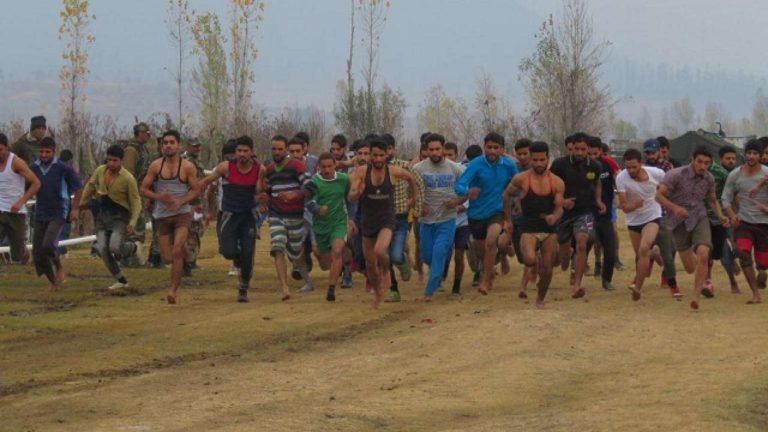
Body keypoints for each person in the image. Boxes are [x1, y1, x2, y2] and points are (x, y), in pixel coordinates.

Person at [348, 137, 419, 308]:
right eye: (375, 155)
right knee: (370, 265)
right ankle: (378, 293)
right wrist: (358, 192)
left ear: (387, 155)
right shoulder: (360, 173)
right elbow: (351, 197)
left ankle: (386, 271)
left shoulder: (394, 172)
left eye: (381, 155)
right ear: (370, 155)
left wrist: (413, 198)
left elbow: (411, 178)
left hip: (387, 219)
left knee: (380, 250)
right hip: (368, 221)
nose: (378, 159)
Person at [656, 145, 730, 310]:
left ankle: (697, 295)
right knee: (690, 268)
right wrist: (675, 208)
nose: (703, 166)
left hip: (699, 217)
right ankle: (701, 274)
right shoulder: (675, 175)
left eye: (707, 163)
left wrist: (720, 215)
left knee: (703, 253)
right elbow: (658, 196)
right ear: (693, 160)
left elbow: (712, 199)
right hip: (677, 221)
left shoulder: (709, 178)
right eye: (700, 162)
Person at [200, 135, 264, 302]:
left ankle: (243, 287)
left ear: (252, 152)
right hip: (229, 214)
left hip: (248, 216)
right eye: (239, 151)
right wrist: (192, 196)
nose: (241, 154)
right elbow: (207, 182)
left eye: (245, 151)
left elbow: (260, 193)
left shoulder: (259, 169)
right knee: (227, 251)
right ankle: (236, 258)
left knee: (248, 252)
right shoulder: (226, 167)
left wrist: (262, 198)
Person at [140, 130, 201, 304]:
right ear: (161, 146)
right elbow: (143, 189)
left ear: (178, 145)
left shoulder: (188, 166)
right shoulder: (155, 166)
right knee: (167, 258)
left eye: (172, 142)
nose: (168, 145)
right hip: (162, 216)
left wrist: (181, 201)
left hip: (182, 214)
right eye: (165, 142)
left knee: (176, 252)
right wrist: (159, 197)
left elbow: (196, 189)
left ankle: (173, 290)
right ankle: (184, 255)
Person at [454, 132, 519, 296]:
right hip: (476, 214)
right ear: (484, 148)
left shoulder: (509, 165)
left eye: (496, 147)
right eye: (489, 147)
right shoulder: (475, 164)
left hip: (497, 211)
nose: (492, 151)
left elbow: (519, 183)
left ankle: (486, 280)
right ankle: (498, 259)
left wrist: (517, 198)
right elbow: (459, 185)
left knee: (491, 241)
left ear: (502, 149)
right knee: (482, 251)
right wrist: (468, 191)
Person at [503, 141, 564, 308]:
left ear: (548, 159)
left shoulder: (557, 182)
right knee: (529, 259)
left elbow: (560, 208)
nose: (538, 164)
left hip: (549, 229)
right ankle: (535, 262)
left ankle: (540, 299)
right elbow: (506, 196)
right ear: (530, 159)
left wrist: (554, 216)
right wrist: (507, 219)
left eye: (542, 160)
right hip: (528, 227)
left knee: (548, 268)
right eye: (535, 160)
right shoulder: (521, 179)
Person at [550, 132, 605, 299]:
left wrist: (598, 200)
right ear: (571, 148)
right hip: (563, 213)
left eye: (583, 149)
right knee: (563, 258)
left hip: (585, 211)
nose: (580, 153)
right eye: (576, 149)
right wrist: (562, 200)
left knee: (582, 242)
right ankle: (562, 262)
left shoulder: (595, 166)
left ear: (588, 148)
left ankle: (577, 285)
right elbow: (550, 185)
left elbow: (596, 183)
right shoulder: (559, 164)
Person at [79, 145, 141, 290]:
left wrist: (132, 221)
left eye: (115, 160)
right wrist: (82, 204)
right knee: (103, 249)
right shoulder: (100, 170)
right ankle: (121, 280)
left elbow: (136, 201)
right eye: (109, 160)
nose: (111, 163)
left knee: (115, 246)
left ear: (121, 161)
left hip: (119, 216)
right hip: (102, 214)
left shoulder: (128, 178)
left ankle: (132, 247)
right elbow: (90, 186)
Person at [413, 133, 464, 302]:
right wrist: (419, 206)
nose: (434, 152)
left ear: (443, 149)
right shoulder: (419, 169)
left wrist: (456, 201)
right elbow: (411, 193)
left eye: (438, 149)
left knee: (439, 251)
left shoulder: (455, 168)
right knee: (427, 255)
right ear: (426, 150)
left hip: (447, 220)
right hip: (426, 221)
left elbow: (465, 192)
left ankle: (430, 289)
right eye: (431, 149)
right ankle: (436, 273)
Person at [263, 135, 312, 301]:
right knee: (278, 246)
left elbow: (310, 187)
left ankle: (307, 281)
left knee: (295, 252)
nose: (276, 152)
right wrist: (262, 198)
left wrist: (295, 195)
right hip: (276, 214)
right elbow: (267, 190)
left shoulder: (296, 166)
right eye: (273, 149)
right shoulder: (268, 170)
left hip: (295, 216)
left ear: (285, 150)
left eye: (279, 149)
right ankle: (284, 287)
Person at [30, 138, 83, 291]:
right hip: (40, 212)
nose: (44, 155)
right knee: (38, 252)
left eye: (47, 152)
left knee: (48, 244)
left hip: (58, 212)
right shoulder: (34, 167)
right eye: (41, 151)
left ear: (54, 152)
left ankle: (58, 266)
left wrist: (75, 208)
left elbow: (78, 188)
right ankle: (53, 282)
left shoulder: (63, 168)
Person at [616, 149, 667, 300]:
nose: (631, 170)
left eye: (634, 167)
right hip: (633, 220)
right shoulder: (621, 178)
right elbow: (624, 206)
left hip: (652, 215)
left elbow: (669, 183)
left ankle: (638, 287)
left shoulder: (656, 173)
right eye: (628, 167)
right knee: (641, 255)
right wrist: (635, 205)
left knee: (644, 248)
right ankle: (655, 253)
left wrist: (663, 195)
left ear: (641, 164)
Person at [722, 139, 768, 305]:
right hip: (744, 222)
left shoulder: (766, 174)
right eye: (748, 153)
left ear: (761, 155)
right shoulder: (735, 174)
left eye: (755, 153)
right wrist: (732, 215)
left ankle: (762, 271)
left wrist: (766, 208)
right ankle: (755, 293)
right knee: (743, 254)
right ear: (744, 154)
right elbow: (725, 197)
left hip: (764, 225)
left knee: (763, 263)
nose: (751, 156)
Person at [307, 153, 354, 302]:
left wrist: (350, 219)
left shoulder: (344, 179)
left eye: (330, 166)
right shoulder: (313, 182)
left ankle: (331, 288)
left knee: (337, 250)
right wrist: (318, 209)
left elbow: (350, 199)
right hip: (321, 226)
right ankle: (348, 257)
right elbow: (309, 203)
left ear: (335, 165)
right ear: (318, 167)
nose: (327, 170)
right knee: (325, 263)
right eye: (323, 167)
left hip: (338, 223)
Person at [383, 134, 424, 303]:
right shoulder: (372, 171)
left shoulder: (404, 166)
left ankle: (402, 261)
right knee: (383, 254)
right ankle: (393, 288)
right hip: (380, 219)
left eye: (387, 150)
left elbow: (419, 184)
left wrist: (417, 208)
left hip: (400, 219)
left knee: (395, 255)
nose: (383, 155)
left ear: (393, 149)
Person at [643, 138, 680, 294]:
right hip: (648, 210)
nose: (650, 155)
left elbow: (671, 187)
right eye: (648, 153)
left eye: (653, 152)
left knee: (670, 247)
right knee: (646, 244)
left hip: (665, 210)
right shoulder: (642, 167)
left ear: (659, 152)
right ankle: (644, 268)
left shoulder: (667, 167)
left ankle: (666, 276)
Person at [705, 146, 741, 294]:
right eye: (728, 158)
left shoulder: (726, 174)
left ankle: (732, 279)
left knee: (732, 250)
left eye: (733, 158)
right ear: (720, 159)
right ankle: (708, 284)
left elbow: (737, 193)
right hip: (706, 219)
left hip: (727, 218)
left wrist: (739, 213)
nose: (731, 161)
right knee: (706, 253)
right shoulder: (706, 172)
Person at [0, 132, 40, 264]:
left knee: (18, 254)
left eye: (0, 150)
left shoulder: (16, 162)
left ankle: (22, 254)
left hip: (15, 211)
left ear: (7, 148)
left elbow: (36, 183)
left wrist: (21, 201)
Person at [587, 137, 617, 290]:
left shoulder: (608, 165)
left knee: (610, 249)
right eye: (589, 154)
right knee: (585, 243)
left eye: (595, 153)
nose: (592, 157)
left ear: (600, 151)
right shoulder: (581, 167)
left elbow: (619, 180)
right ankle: (578, 271)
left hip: (605, 214)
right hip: (586, 214)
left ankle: (607, 279)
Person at [441, 142, 471, 296]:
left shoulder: (463, 171)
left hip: (462, 221)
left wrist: (459, 206)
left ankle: (456, 286)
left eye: (450, 155)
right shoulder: (436, 172)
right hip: (443, 221)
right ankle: (441, 276)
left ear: (456, 155)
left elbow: (468, 195)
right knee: (443, 252)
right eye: (444, 155)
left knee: (459, 255)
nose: (447, 158)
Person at [511, 138, 536, 298]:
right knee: (521, 256)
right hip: (516, 217)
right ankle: (534, 263)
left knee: (528, 252)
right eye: (519, 154)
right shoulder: (511, 169)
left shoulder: (538, 169)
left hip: (533, 217)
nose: (522, 157)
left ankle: (523, 287)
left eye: (525, 153)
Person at [181, 138, 206, 276]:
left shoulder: (197, 161)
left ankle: (191, 260)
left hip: (197, 203)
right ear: (188, 146)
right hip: (188, 203)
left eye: (198, 146)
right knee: (188, 232)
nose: (197, 149)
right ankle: (186, 263)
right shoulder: (185, 161)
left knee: (197, 230)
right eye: (194, 146)